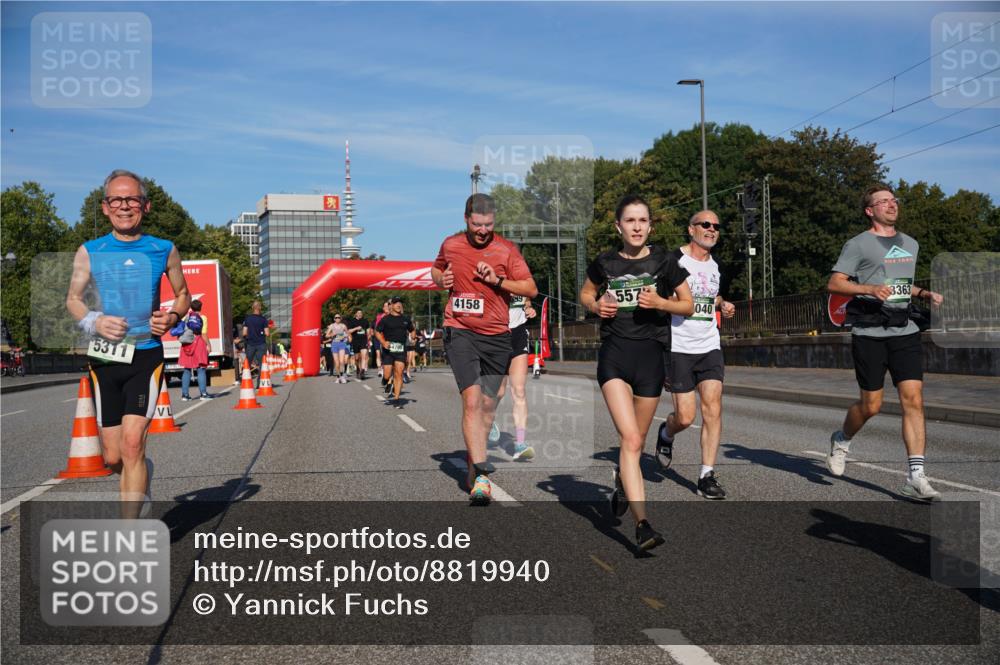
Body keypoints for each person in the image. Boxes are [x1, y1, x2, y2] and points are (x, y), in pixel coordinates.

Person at [66, 169, 190, 517]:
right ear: (105, 207)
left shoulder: (163, 249)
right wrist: (94, 320)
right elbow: (73, 300)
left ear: (145, 205)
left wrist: (172, 317)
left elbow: (182, 295)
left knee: (133, 442)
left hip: (145, 356)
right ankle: (140, 478)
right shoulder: (90, 251)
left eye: (132, 199)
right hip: (105, 358)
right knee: (114, 456)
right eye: (116, 200)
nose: (124, 206)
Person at [580, 195, 693, 551]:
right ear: (619, 227)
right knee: (630, 440)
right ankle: (643, 525)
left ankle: (622, 483)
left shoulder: (666, 261)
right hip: (614, 356)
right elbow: (585, 293)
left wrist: (661, 303)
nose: (637, 226)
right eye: (630, 221)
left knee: (637, 442)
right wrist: (597, 306)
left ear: (650, 226)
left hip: (651, 359)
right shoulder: (605, 263)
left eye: (643, 220)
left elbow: (687, 305)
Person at [826, 184, 944, 501]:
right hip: (870, 332)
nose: (891, 205)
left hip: (904, 329)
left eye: (893, 200)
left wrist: (923, 293)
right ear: (870, 210)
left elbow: (900, 283)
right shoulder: (858, 244)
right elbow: (835, 282)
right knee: (872, 405)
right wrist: (868, 289)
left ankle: (916, 476)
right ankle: (841, 438)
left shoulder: (910, 243)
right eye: (883, 202)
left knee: (913, 399)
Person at [432, 193, 537, 505]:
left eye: (488, 225)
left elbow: (530, 288)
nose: (482, 230)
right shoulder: (451, 244)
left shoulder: (506, 250)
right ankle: (481, 475)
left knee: (491, 405)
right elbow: (436, 269)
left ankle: (472, 460)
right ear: (466, 219)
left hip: (496, 335)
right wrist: (442, 279)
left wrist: (499, 281)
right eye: (477, 224)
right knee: (473, 401)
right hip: (460, 328)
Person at [655, 210, 735, 499]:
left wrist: (724, 305)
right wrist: (674, 302)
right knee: (686, 417)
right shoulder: (672, 260)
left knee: (713, 408)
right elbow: (655, 298)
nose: (712, 229)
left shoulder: (719, 266)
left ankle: (706, 475)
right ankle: (666, 432)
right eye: (705, 225)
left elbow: (715, 297)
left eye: (716, 226)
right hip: (679, 347)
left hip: (709, 345)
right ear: (691, 230)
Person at [488, 294, 538, 461]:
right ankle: (489, 421)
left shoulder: (520, 276)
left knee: (519, 390)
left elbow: (526, 299)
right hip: (497, 335)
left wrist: (528, 308)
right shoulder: (493, 275)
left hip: (518, 334)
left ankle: (520, 444)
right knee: (499, 391)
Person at [375, 297, 414, 408]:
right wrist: (383, 342)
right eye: (396, 303)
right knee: (387, 373)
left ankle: (397, 400)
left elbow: (412, 329)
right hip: (388, 350)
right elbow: (377, 332)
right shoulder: (385, 319)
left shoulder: (405, 319)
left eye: (400, 303)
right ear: (391, 305)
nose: (399, 305)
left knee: (399, 373)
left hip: (401, 349)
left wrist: (413, 336)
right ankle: (385, 379)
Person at [179, 299, 215, 401]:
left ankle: (185, 395)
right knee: (201, 369)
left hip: (186, 345)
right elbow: (203, 334)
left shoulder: (186, 317)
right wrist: (209, 345)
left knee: (187, 369)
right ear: (200, 307)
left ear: (191, 307)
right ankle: (203, 394)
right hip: (198, 344)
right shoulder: (202, 317)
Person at [242, 301, 269, 383]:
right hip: (261, 344)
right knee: (262, 364)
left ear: (252, 308)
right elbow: (267, 333)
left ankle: (246, 382)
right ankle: (259, 383)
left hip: (250, 344)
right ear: (260, 308)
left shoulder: (248, 319)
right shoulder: (264, 320)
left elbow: (244, 333)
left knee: (247, 363)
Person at [326, 313, 350, 383]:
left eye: (338, 317)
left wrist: (345, 336)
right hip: (334, 344)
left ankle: (342, 376)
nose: (337, 319)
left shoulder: (343, 326)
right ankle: (338, 376)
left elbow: (347, 333)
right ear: (334, 319)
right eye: (336, 318)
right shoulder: (332, 326)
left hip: (342, 344)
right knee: (337, 363)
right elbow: (327, 335)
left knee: (342, 361)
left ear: (341, 319)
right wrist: (332, 334)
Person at [347, 309, 370, 380]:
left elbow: (368, 330)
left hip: (363, 341)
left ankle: (362, 371)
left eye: (361, 313)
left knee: (364, 356)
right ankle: (358, 368)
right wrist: (356, 328)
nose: (360, 314)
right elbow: (349, 331)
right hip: (355, 341)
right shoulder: (352, 321)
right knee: (357, 358)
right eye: (358, 313)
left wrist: (368, 338)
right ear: (355, 314)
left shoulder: (365, 321)